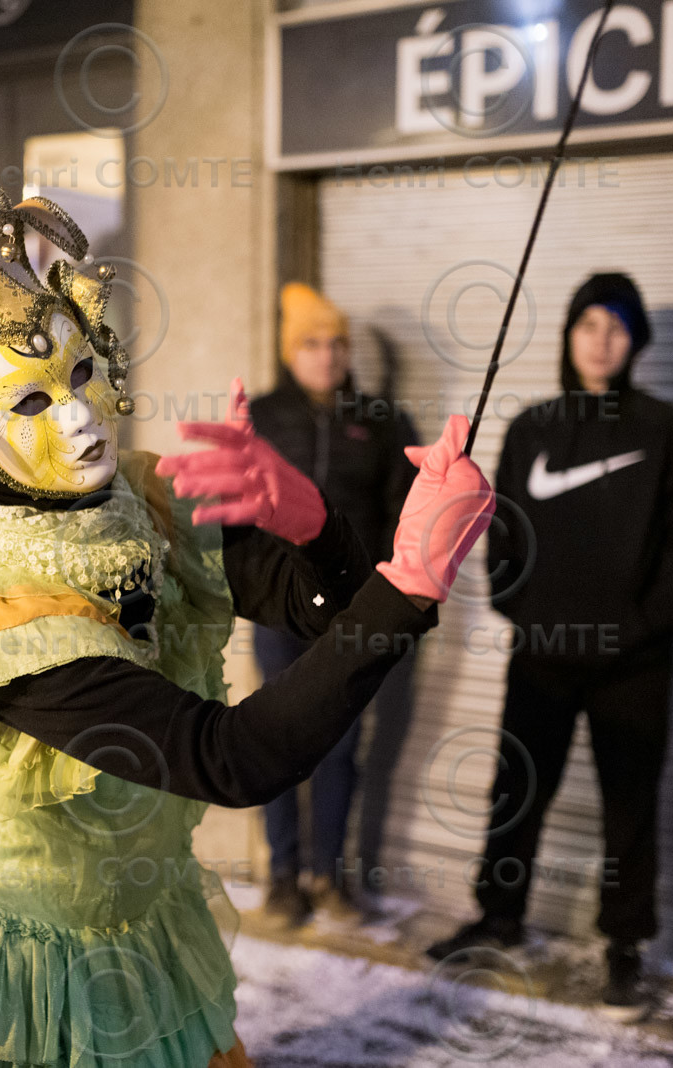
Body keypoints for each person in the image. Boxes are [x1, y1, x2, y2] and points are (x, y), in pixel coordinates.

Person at [0, 180, 493, 1067]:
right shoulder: (1, 623)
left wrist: (315, 526)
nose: (77, 418)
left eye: (80, 374)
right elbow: (228, 756)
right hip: (17, 978)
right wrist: (411, 576)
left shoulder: (133, 503)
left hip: (139, 928)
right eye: (28, 403)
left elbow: (321, 612)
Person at [425, 273, 673, 1017]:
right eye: (588, 324)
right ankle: (500, 917)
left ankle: (624, 946)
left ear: (636, 342)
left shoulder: (663, 431)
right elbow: (503, 528)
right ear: (568, 334)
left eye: (617, 327)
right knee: (517, 788)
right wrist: (519, 607)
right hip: (544, 655)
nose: (601, 340)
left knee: (630, 806)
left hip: (634, 664)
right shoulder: (533, 426)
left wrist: (647, 623)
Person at [248, 282, 418, 926]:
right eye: (312, 344)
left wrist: (388, 591)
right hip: (278, 607)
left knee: (342, 745)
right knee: (277, 739)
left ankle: (330, 876)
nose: (326, 356)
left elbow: (404, 512)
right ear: (292, 352)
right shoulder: (264, 417)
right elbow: (240, 506)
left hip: (353, 608)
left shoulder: (380, 420)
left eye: (337, 344)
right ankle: (283, 876)